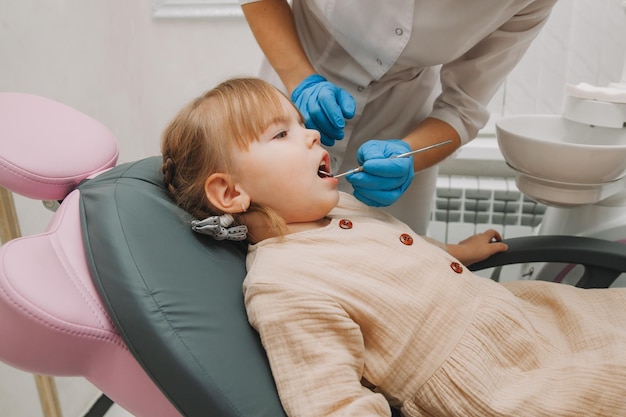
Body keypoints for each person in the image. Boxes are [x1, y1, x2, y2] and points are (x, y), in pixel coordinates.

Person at [161, 77, 626, 417]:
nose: (312, 134)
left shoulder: (341, 206)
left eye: (301, 123)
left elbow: (400, 255)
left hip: (524, 319)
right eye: (281, 134)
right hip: (500, 383)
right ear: (230, 194)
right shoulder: (284, 287)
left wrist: (458, 252)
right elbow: (330, 403)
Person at [238, 0, 559, 234]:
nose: (312, 135)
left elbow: (464, 107)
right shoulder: (266, 257)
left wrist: (409, 155)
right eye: (282, 136)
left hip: (403, 114)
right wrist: (299, 78)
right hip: (296, 67)